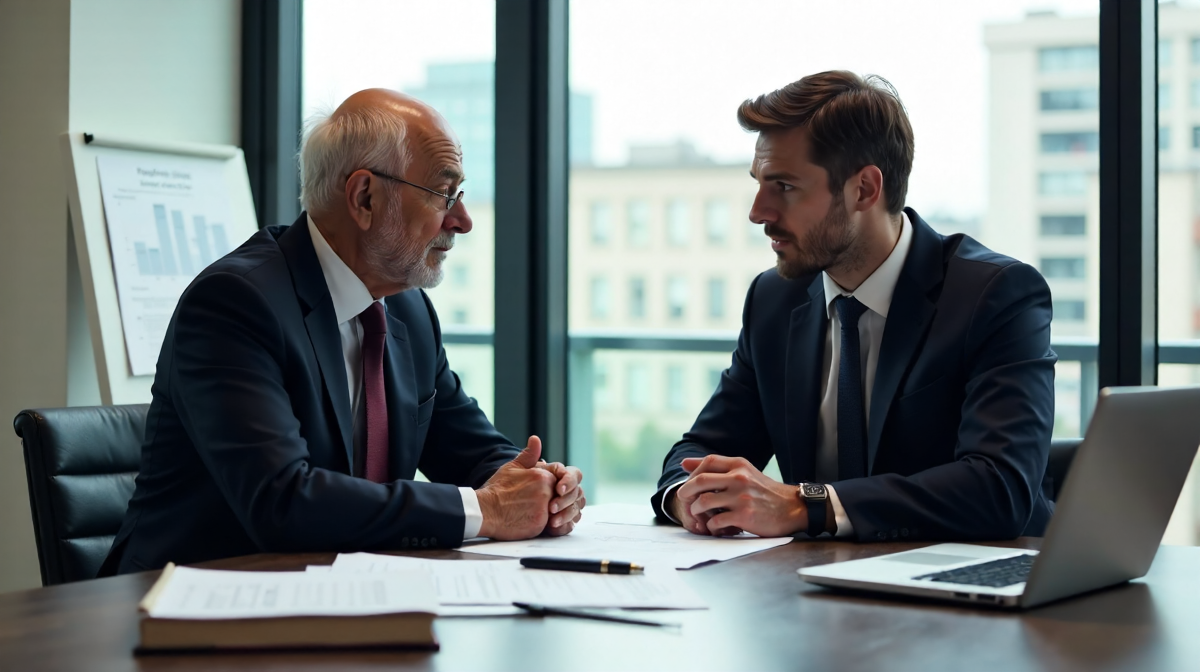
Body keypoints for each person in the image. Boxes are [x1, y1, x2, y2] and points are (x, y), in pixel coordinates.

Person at [102, 89, 585, 574]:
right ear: (365, 197)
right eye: (444, 194)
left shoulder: (409, 310)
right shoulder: (235, 302)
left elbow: (472, 448)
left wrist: (539, 485)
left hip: (341, 600)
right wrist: (491, 510)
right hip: (187, 610)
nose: (462, 221)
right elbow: (284, 502)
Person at [652, 71, 1055, 542]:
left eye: (783, 186)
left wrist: (807, 505)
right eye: (759, 183)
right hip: (818, 593)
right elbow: (701, 450)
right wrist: (688, 498)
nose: (758, 211)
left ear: (864, 189)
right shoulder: (774, 301)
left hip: (974, 588)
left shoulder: (995, 295)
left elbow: (1000, 487)